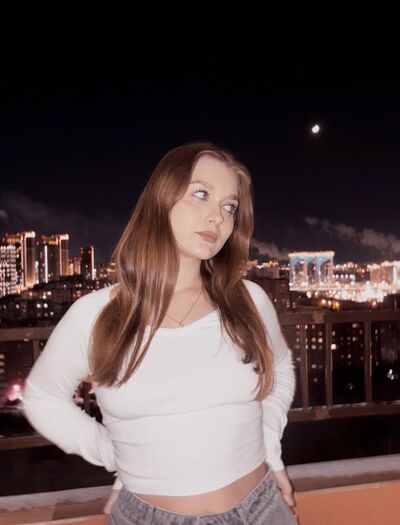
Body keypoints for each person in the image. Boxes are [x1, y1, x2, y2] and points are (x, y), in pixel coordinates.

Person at [23, 142, 298, 525]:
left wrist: (269, 446)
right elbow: (42, 398)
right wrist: (117, 454)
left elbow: (280, 369)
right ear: (161, 199)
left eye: (229, 207)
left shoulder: (247, 301)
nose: (217, 217)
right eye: (201, 194)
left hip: (261, 510)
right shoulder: (98, 315)